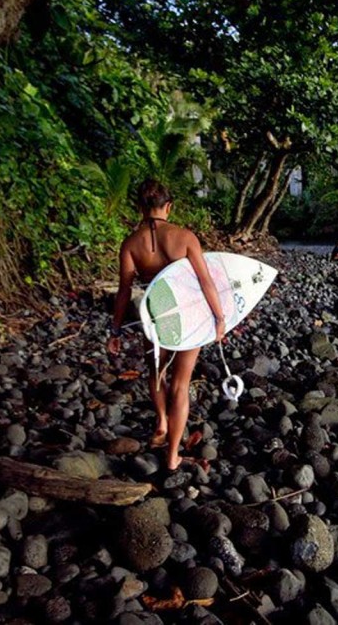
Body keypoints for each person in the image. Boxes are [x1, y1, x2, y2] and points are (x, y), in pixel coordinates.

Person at [107, 179, 225, 471]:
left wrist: (116, 329)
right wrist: (220, 318)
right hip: (188, 315)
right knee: (181, 385)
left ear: (139, 207)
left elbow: (124, 290)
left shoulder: (130, 243)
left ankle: (161, 420)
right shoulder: (185, 237)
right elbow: (205, 280)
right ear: (168, 207)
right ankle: (173, 455)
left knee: (156, 372)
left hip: (155, 316)